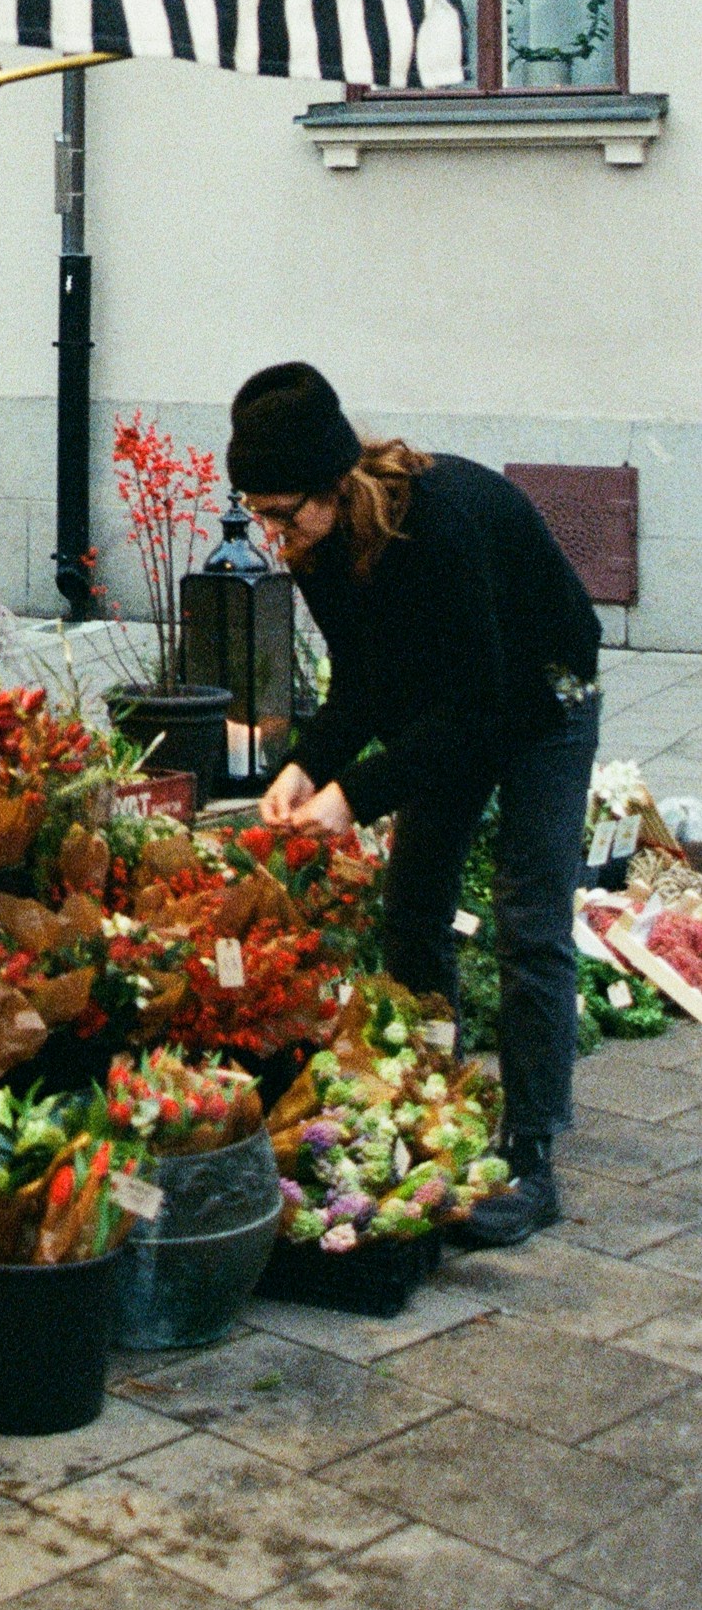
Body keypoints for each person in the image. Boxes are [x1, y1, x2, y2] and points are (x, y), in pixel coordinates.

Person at [227, 359, 602, 1247]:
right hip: (455, 701)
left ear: (333, 483)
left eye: (285, 513)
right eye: (260, 513)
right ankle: (436, 1097)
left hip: (542, 698)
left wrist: (353, 794)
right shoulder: (319, 545)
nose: (274, 536)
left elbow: (480, 709)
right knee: (412, 910)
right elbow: (364, 676)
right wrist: (306, 765)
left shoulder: (438, 526)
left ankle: (531, 1150)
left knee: (528, 914)